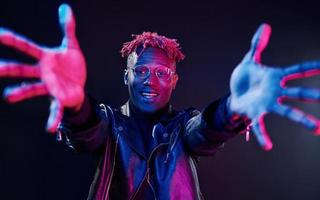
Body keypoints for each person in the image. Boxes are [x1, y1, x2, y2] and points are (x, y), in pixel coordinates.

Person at [1, 4, 320, 200]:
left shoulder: (184, 128)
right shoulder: (109, 123)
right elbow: (88, 132)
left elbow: (205, 132)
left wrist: (233, 109)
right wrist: (74, 104)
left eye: (161, 72)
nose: (150, 80)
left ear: (175, 80)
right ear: (126, 77)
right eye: (140, 70)